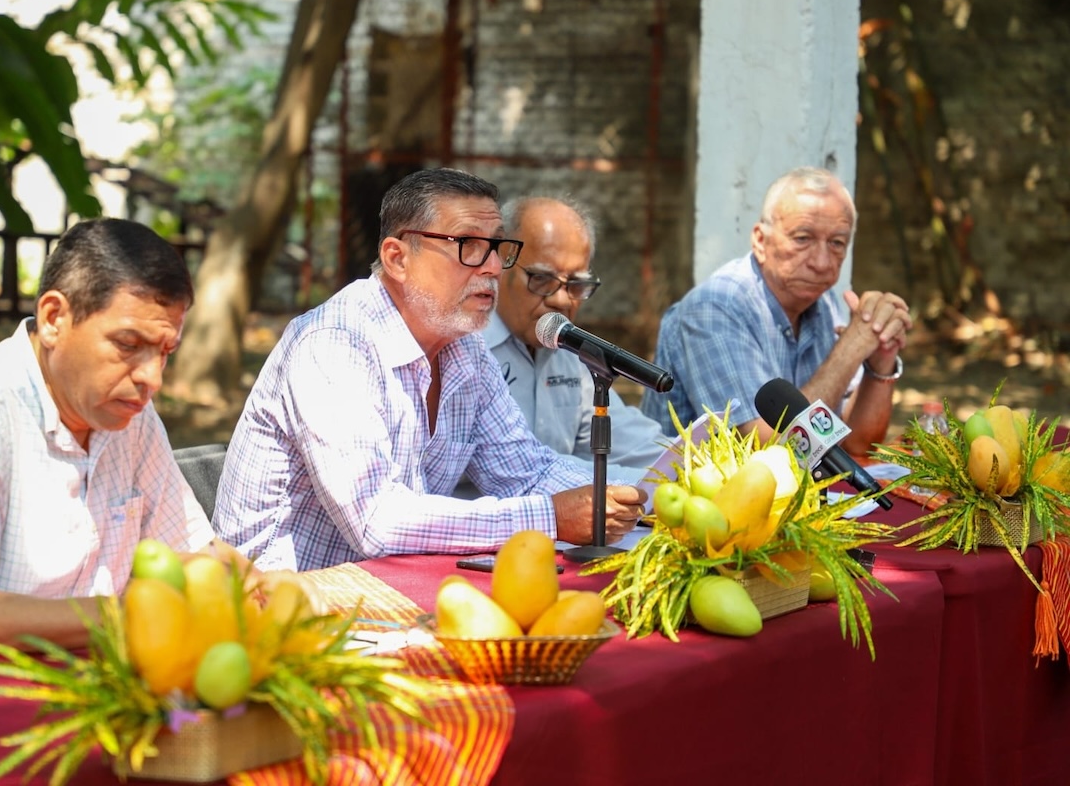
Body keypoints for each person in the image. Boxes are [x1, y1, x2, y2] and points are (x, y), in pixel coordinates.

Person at [213, 168, 647, 572]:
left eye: (498, 247)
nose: (493, 267)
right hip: (279, 608)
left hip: (389, 592)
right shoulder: (334, 343)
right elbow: (376, 521)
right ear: (398, 258)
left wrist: (651, 498)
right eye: (468, 246)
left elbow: (526, 472)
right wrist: (550, 517)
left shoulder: (465, 349)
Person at [0, 218, 219, 671]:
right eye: (129, 344)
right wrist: (120, 617)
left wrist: (253, 587)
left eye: (165, 352)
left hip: (66, 692)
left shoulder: (131, 417)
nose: (152, 378)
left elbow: (191, 553)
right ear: (55, 318)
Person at [640, 166, 911, 457]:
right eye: (802, 238)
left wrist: (880, 363)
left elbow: (859, 445)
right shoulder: (715, 308)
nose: (821, 262)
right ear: (760, 240)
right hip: (690, 497)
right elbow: (771, 451)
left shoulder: (824, 302)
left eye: (836, 243)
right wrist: (850, 349)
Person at [487, 195, 670, 487]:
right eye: (541, 280)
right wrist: (651, 485)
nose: (561, 300)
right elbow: (525, 466)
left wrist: (705, 465)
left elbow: (635, 442)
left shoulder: (568, 353)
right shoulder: (467, 350)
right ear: (499, 265)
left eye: (576, 285)